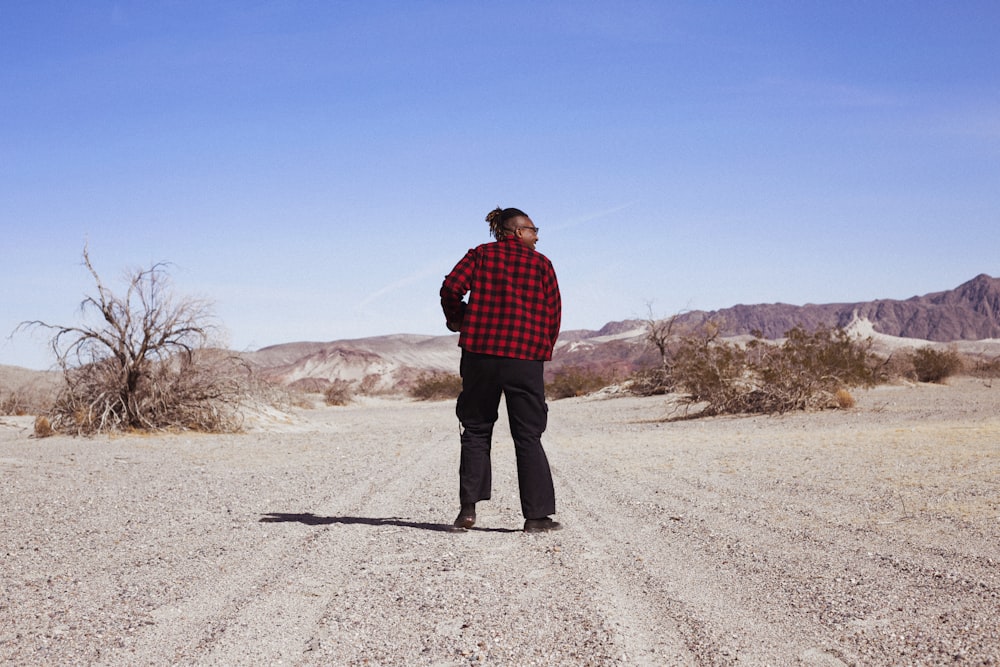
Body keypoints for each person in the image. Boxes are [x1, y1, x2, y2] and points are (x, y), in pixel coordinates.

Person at [440, 206, 563, 533]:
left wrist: (459, 318)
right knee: (528, 434)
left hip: (480, 354)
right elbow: (553, 314)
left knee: (477, 429)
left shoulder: (480, 256)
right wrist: (541, 349)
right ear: (517, 231)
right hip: (524, 359)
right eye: (534, 230)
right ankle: (536, 517)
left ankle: (467, 511)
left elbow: (452, 287)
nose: (537, 237)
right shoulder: (541, 264)